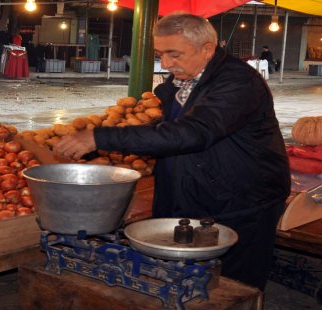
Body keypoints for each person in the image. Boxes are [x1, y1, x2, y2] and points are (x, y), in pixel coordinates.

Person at [54, 12, 290, 291]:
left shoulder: (238, 83)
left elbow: (193, 133)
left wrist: (100, 136)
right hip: (193, 193)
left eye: (174, 54)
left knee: (234, 287)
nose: (165, 63)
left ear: (207, 50)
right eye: (160, 53)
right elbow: (175, 128)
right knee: (188, 282)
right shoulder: (179, 83)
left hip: (242, 202)